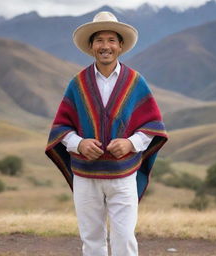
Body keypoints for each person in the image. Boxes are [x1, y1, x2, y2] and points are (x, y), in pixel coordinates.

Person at [45, 11, 168, 256]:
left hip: (123, 176)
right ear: (91, 46)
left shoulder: (135, 82)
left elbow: (152, 126)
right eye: (99, 40)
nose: (105, 46)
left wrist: (130, 143)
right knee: (91, 240)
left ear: (120, 46)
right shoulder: (77, 83)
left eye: (111, 40)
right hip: (85, 176)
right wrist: (79, 144)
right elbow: (61, 128)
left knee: (124, 239)